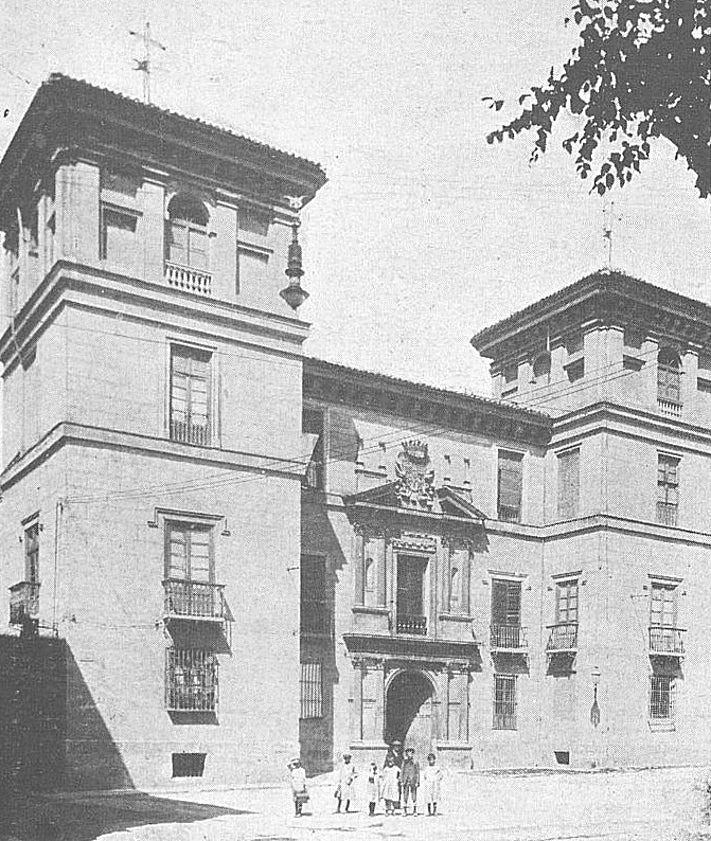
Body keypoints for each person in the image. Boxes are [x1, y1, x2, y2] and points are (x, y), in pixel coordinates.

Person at [400, 746, 420, 816]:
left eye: (411, 753)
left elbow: (417, 772)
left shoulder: (415, 762)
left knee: (414, 796)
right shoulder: (404, 762)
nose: (409, 754)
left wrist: (417, 781)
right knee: (405, 796)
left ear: (413, 754)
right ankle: (405, 810)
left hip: (413, 781)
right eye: (408, 753)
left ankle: (414, 810)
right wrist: (401, 780)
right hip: (406, 780)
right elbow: (402, 771)